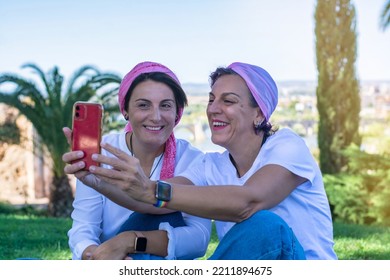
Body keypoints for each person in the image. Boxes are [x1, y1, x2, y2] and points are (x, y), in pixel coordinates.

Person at [65, 62, 337, 260]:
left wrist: (150, 190)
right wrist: (93, 179)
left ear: (259, 114)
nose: (214, 108)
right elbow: (150, 202)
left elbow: (247, 202)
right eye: (211, 99)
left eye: (228, 100)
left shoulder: (288, 147)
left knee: (266, 225)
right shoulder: (212, 167)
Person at [63, 61, 211, 260]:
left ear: (178, 112)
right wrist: (93, 255)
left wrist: (131, 242)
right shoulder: (101, 153)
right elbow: (83, 228)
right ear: (125, 110)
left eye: (166, 106)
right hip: (105, 260)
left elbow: (198, 239)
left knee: (168, 216)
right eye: (143, 105)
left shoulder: (193, 160)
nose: (156, 117)